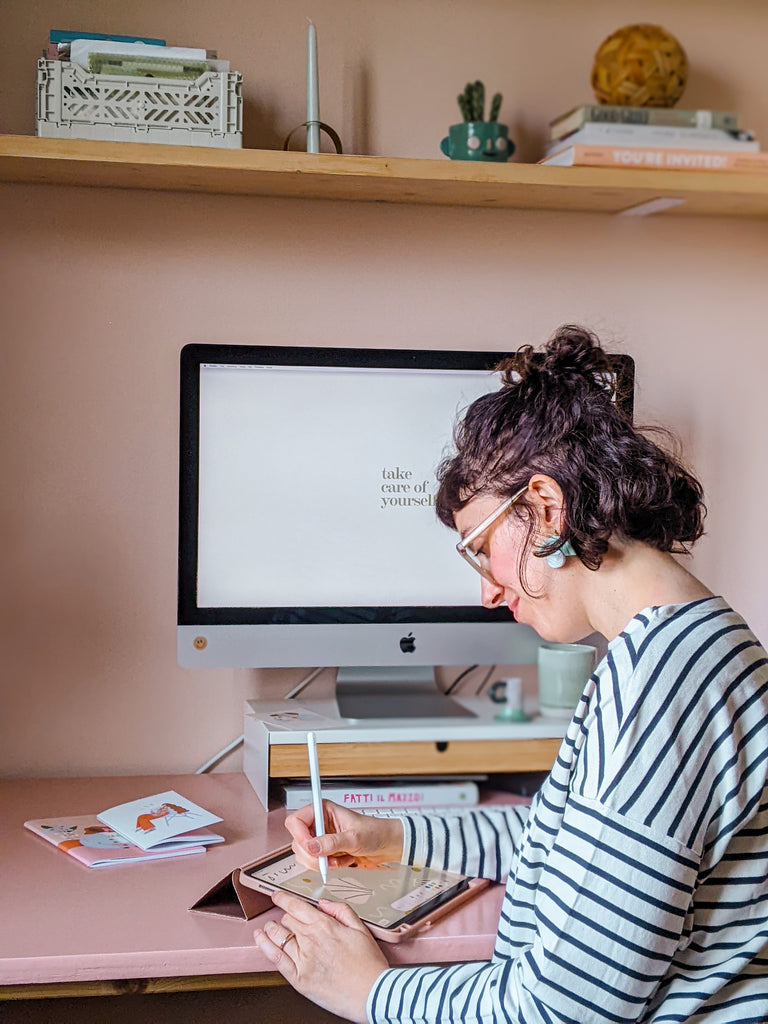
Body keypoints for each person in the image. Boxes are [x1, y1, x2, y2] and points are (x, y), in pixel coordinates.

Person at [254, 325, 768, 1023]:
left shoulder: (661, 687)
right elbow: (567, 843)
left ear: (547, 509)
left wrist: (368, 992)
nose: (488, 591)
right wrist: (390, 836)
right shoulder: (682, 646)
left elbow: (564, 1011)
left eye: (481, 548)